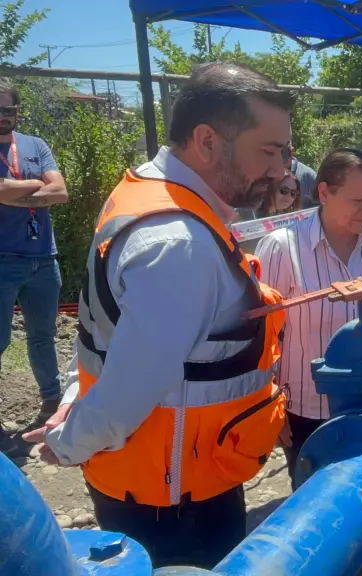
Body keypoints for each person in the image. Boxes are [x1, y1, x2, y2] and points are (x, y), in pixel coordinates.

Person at [21, 61, 295, 569]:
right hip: (176, 502)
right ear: (208, 141)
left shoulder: (144, 194)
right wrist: (68, 442)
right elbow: (131, 391)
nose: (280, 170)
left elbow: (106, 330)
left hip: (161, 482)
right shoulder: (178, 242)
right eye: (269, 151)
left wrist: (76, 402)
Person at [255, 148, 362, 489]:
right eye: (356, 200)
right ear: (323, 192)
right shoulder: (281, 248)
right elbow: (263, 339)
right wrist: (269, 405)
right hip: (307, 411)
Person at [0, 78, 69, 445]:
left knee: (42, 336)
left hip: (43, 258)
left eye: (7, 109)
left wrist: (14, 192)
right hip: (2, 259)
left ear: (17, 110)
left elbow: (60, 191)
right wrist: (34, 186)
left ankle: (51, 403)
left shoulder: (35, 144)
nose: (1, 116)